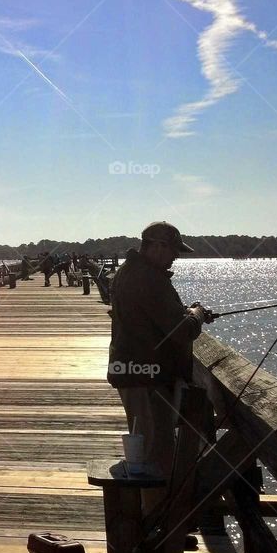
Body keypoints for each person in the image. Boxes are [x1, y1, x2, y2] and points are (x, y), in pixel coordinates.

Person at [107, 221, 213, 517]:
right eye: (174, 251)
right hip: (146, 379)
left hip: (137, 373)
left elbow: (156, 319)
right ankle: (155, 531)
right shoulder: (149, 279)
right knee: (155, 454)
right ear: (157, 246)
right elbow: (179, 331)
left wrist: (188, 314)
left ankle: (155, 522)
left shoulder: (133, 272)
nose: (176, 257)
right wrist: (196, 315)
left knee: (153, 448)